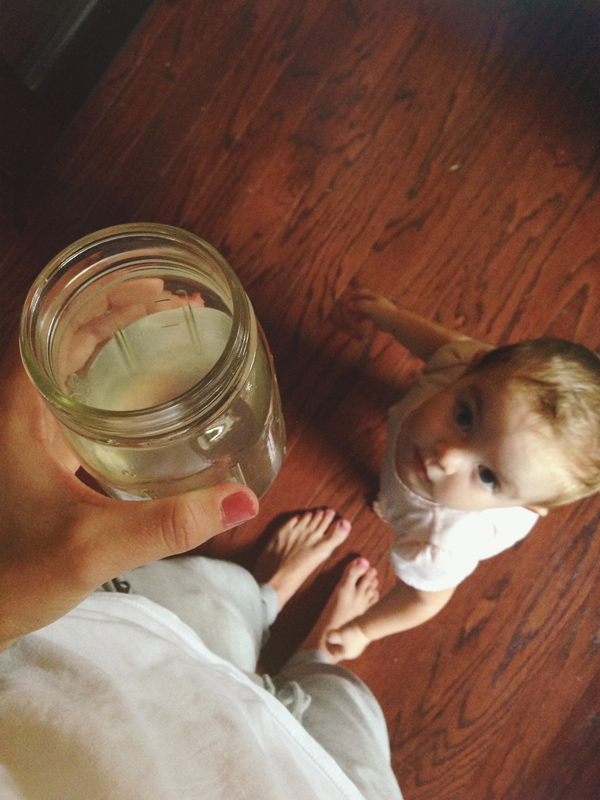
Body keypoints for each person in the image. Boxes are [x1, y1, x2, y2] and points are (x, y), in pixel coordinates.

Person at [0, 337, 403, 800]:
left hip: (85, 653)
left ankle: (266, 596)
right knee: (345, 703)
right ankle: (313, 651)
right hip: (320, 787)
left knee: (215, 595)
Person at [325, 287, 600, 661]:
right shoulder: (467, 367)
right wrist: (389, 314)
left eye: (488, 477)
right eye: (465, 417)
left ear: (524, 506)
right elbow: (443, 345)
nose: (447, 457)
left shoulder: (440, 544)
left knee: (398, 503)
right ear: (475, 366)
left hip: (428, 515)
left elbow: (422, 600)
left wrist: (362, 629)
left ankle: (393, 503)